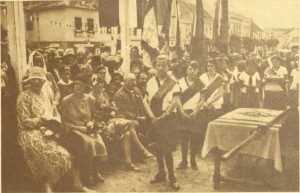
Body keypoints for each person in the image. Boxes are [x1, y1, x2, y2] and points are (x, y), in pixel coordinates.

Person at [17, 67, 89, 192]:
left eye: (39, 79)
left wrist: (55, 122)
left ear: (44, 81)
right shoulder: (23, 97)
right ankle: (48, 184)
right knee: (58, 153)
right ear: (29, 81)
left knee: (76, 142)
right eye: (33, 79)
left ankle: (77, 182)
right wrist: (42, 121)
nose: (37, 82)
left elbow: (55, 111)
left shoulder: (48, 94)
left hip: (51, 128)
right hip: (30, 132)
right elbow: (24, 121)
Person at [90, 76, 152, 171]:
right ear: (93, 85)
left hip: (110, 120)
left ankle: (128, 162)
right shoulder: (91, 97)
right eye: (97, 83)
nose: (100, 85)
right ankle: (141, 148)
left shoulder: (104, 94)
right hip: (100, 123)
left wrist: (112, 110)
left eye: (101, 83)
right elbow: (93, 114)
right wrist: (108, 112)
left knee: (127, 134)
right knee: (130, 123)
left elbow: (112, 107)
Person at [61, 74, 108, 187]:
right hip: (73, 129)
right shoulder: (66, 100)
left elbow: (93, 116)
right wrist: (78, 128)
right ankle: (88, 174)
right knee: (89, 143)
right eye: (75, 84)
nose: (77, 87)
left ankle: (96, 171)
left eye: (80, 85)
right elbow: (64, 122)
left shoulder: (90, 99)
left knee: (100, 143)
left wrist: (91, 122)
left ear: (85, 87)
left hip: (88, 129)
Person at [142, 55, 180, 190]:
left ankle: (172, 176)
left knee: (167, 148)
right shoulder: (150, 81)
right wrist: (152, 115)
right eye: (158, 65)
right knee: (157, 146)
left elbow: (175, 101)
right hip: (154, 117)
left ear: (168, 66)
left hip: (167, 119)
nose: (161, 68)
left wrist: (165, 115)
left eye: (164, 65)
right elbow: (145, 100)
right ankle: (161, 172)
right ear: (155, 66)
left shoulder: (173, 82)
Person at [176, 61, 206, 171]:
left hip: (196, 113)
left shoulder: (201, 83)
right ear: (186, 70)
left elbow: (202, 100)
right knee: (184, 138)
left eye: (194, 69)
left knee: (195, 137)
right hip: (183, 113)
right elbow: (177, 98)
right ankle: (184, 161)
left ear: (198, 71)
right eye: (190, 69)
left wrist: (195, 112)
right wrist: (182, 112)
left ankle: (193, 160)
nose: (192, 71)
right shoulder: (180, 82)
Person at [199, 59, 226, 123]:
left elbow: (220, 93)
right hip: (204, 105)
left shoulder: (220, 78)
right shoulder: (202, 77)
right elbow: (200, 92)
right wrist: (205, 104)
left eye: (212, 66)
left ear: (216, 67)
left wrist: (208, 102)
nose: (210, 68)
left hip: (216, 105)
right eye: (208, 66)